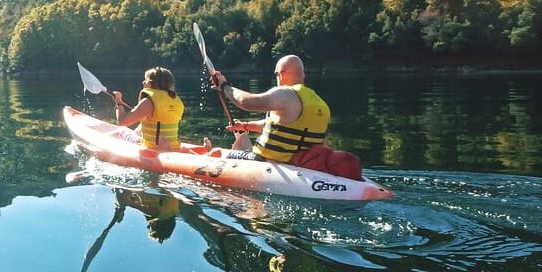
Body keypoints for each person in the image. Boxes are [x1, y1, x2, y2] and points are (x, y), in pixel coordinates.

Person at [207, 55, 362, 180]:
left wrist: (225, 86)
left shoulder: (286, 93)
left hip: (266, 161)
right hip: (301, 164)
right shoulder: (321, 104)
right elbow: (282, 127)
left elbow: (247, 102)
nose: (276, 77)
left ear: (281, 73)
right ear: (303, 74)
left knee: (217, 153)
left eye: (276, 73)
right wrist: (246, 126)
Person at [111, 67, 185, 151]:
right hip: (173, 147)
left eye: (145, 81)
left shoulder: (149, 101)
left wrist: (119, 103)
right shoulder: (176, 101)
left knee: (122, 130)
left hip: (152, 148)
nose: (143, 83)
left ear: (149, 83)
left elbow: (122, 122)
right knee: (140, 127)